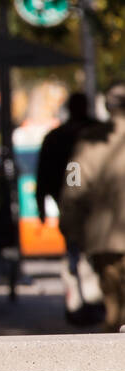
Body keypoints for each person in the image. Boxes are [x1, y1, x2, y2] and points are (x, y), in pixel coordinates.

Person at [36, 91, 106, 325]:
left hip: (74, 206)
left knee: (78, 255)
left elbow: (43, 175)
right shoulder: (97, 133)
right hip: (92, 207)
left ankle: (85, 303)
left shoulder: (58, 136)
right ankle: (87, 303)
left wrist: (42, 209)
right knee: (90, 255)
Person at [60, 82, 125, 332]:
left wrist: (70, 227)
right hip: (106, 237)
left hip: (104, 240)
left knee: (114, 314)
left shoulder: (90, 141)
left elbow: (73, 184)